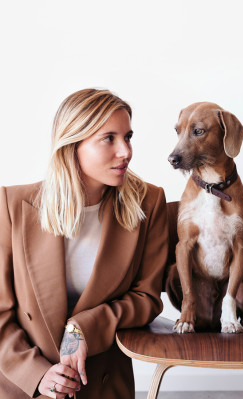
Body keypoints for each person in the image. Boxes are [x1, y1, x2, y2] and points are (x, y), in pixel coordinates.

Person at [0, 88, 168, 399]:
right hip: (23, 385)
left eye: (128, 137)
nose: (126, 151)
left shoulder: (149, 201)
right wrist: (37, 375)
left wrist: (84, 328)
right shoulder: (12, 205)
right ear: (73, 143)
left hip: (102, 382)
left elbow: (147, 297)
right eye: (109, 138)